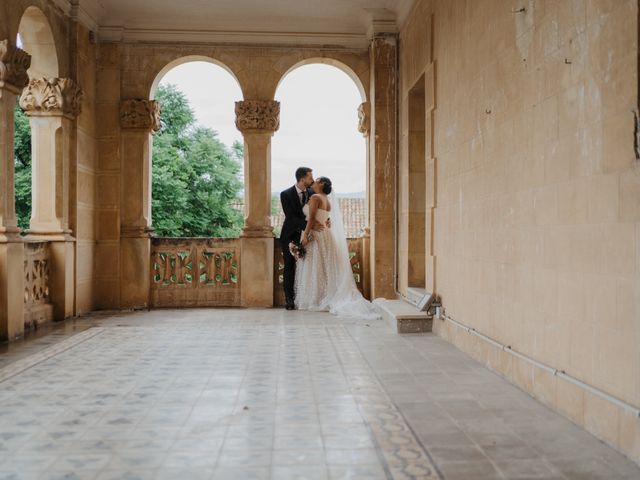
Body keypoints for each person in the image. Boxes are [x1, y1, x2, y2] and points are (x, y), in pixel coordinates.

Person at [294, 176, 379, 319]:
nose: (313, 182)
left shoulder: (315, 197)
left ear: (322, 184)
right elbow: (327, 220)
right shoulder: (327, 200)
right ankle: (323, 296)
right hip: (326, 235)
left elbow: (312, 219)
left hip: (315, 234)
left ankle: (315, 299)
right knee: (323, 266)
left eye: (316, 180)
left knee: (315, 265)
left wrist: (305, 236)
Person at [279, 167, 322, 310]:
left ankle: (303, 298)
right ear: (302, 179)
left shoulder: (312, 193)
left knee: (306, 268)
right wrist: (310, 226)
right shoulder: (285, 194)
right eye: (310, 177)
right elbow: (290, 217)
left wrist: (323, 221)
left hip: (308, 237)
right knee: (289, 267)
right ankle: (289, 299)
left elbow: (317, 212)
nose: (312, 179)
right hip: (290, 235)